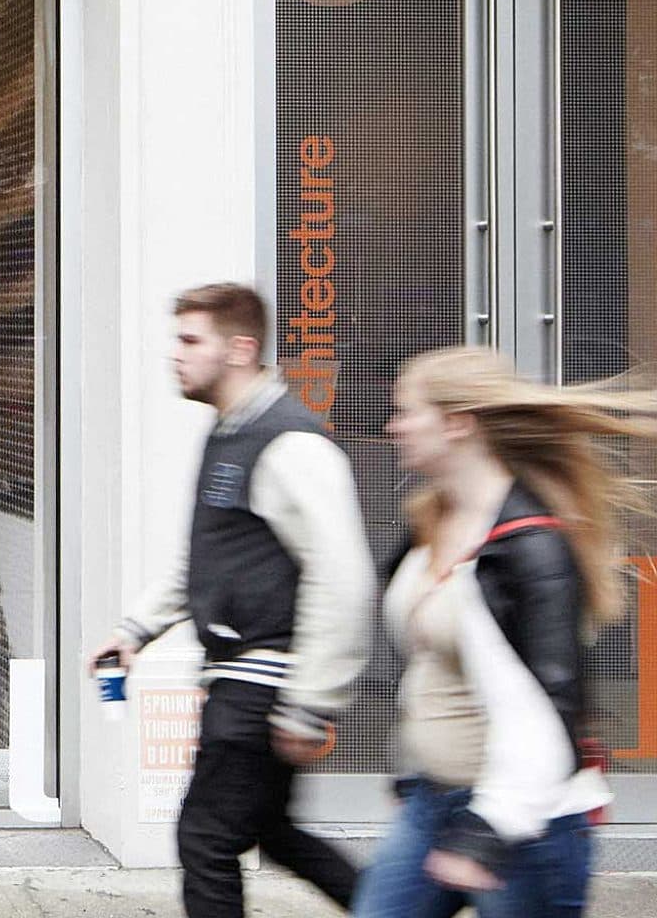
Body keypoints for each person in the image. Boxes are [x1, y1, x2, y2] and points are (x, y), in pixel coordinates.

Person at [89, 282, 376, 918]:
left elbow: (344, 575)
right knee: (269, 832)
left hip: (261, 682)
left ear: (241, 349)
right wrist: (136, 630)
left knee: (206, 838)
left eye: (191, 341)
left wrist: (311, 703)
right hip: (245, 680)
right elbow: (210, 557)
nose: (176, 355)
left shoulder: (289, 444)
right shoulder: (229, 436)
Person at [354, 347, 648, 918]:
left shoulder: (531, 546)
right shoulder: (430, 519)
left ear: (458, 424)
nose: (393, 426)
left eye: (406, 410)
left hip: (525, 823)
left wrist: (488, 831)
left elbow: (553, 708)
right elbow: (426, 667)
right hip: (432, 803)